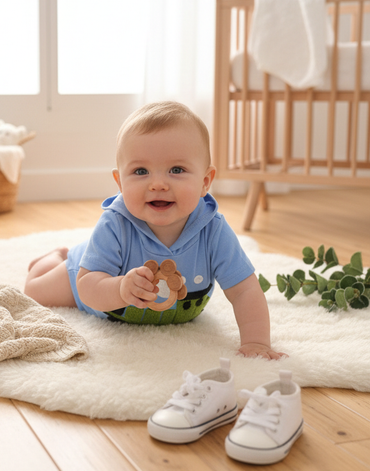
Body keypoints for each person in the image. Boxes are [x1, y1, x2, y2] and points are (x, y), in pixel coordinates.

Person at [25, 101, 285, 360]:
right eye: (140, 171)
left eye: (177, 170)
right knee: (34, 292)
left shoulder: (213, 229)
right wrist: (119, 289)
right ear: (120, 183)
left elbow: (245, 290)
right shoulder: (115, 224)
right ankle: (56, 257)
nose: (158, 184)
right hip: (86, 274)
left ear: (205, 181)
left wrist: (257, 342)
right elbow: (87, 286)